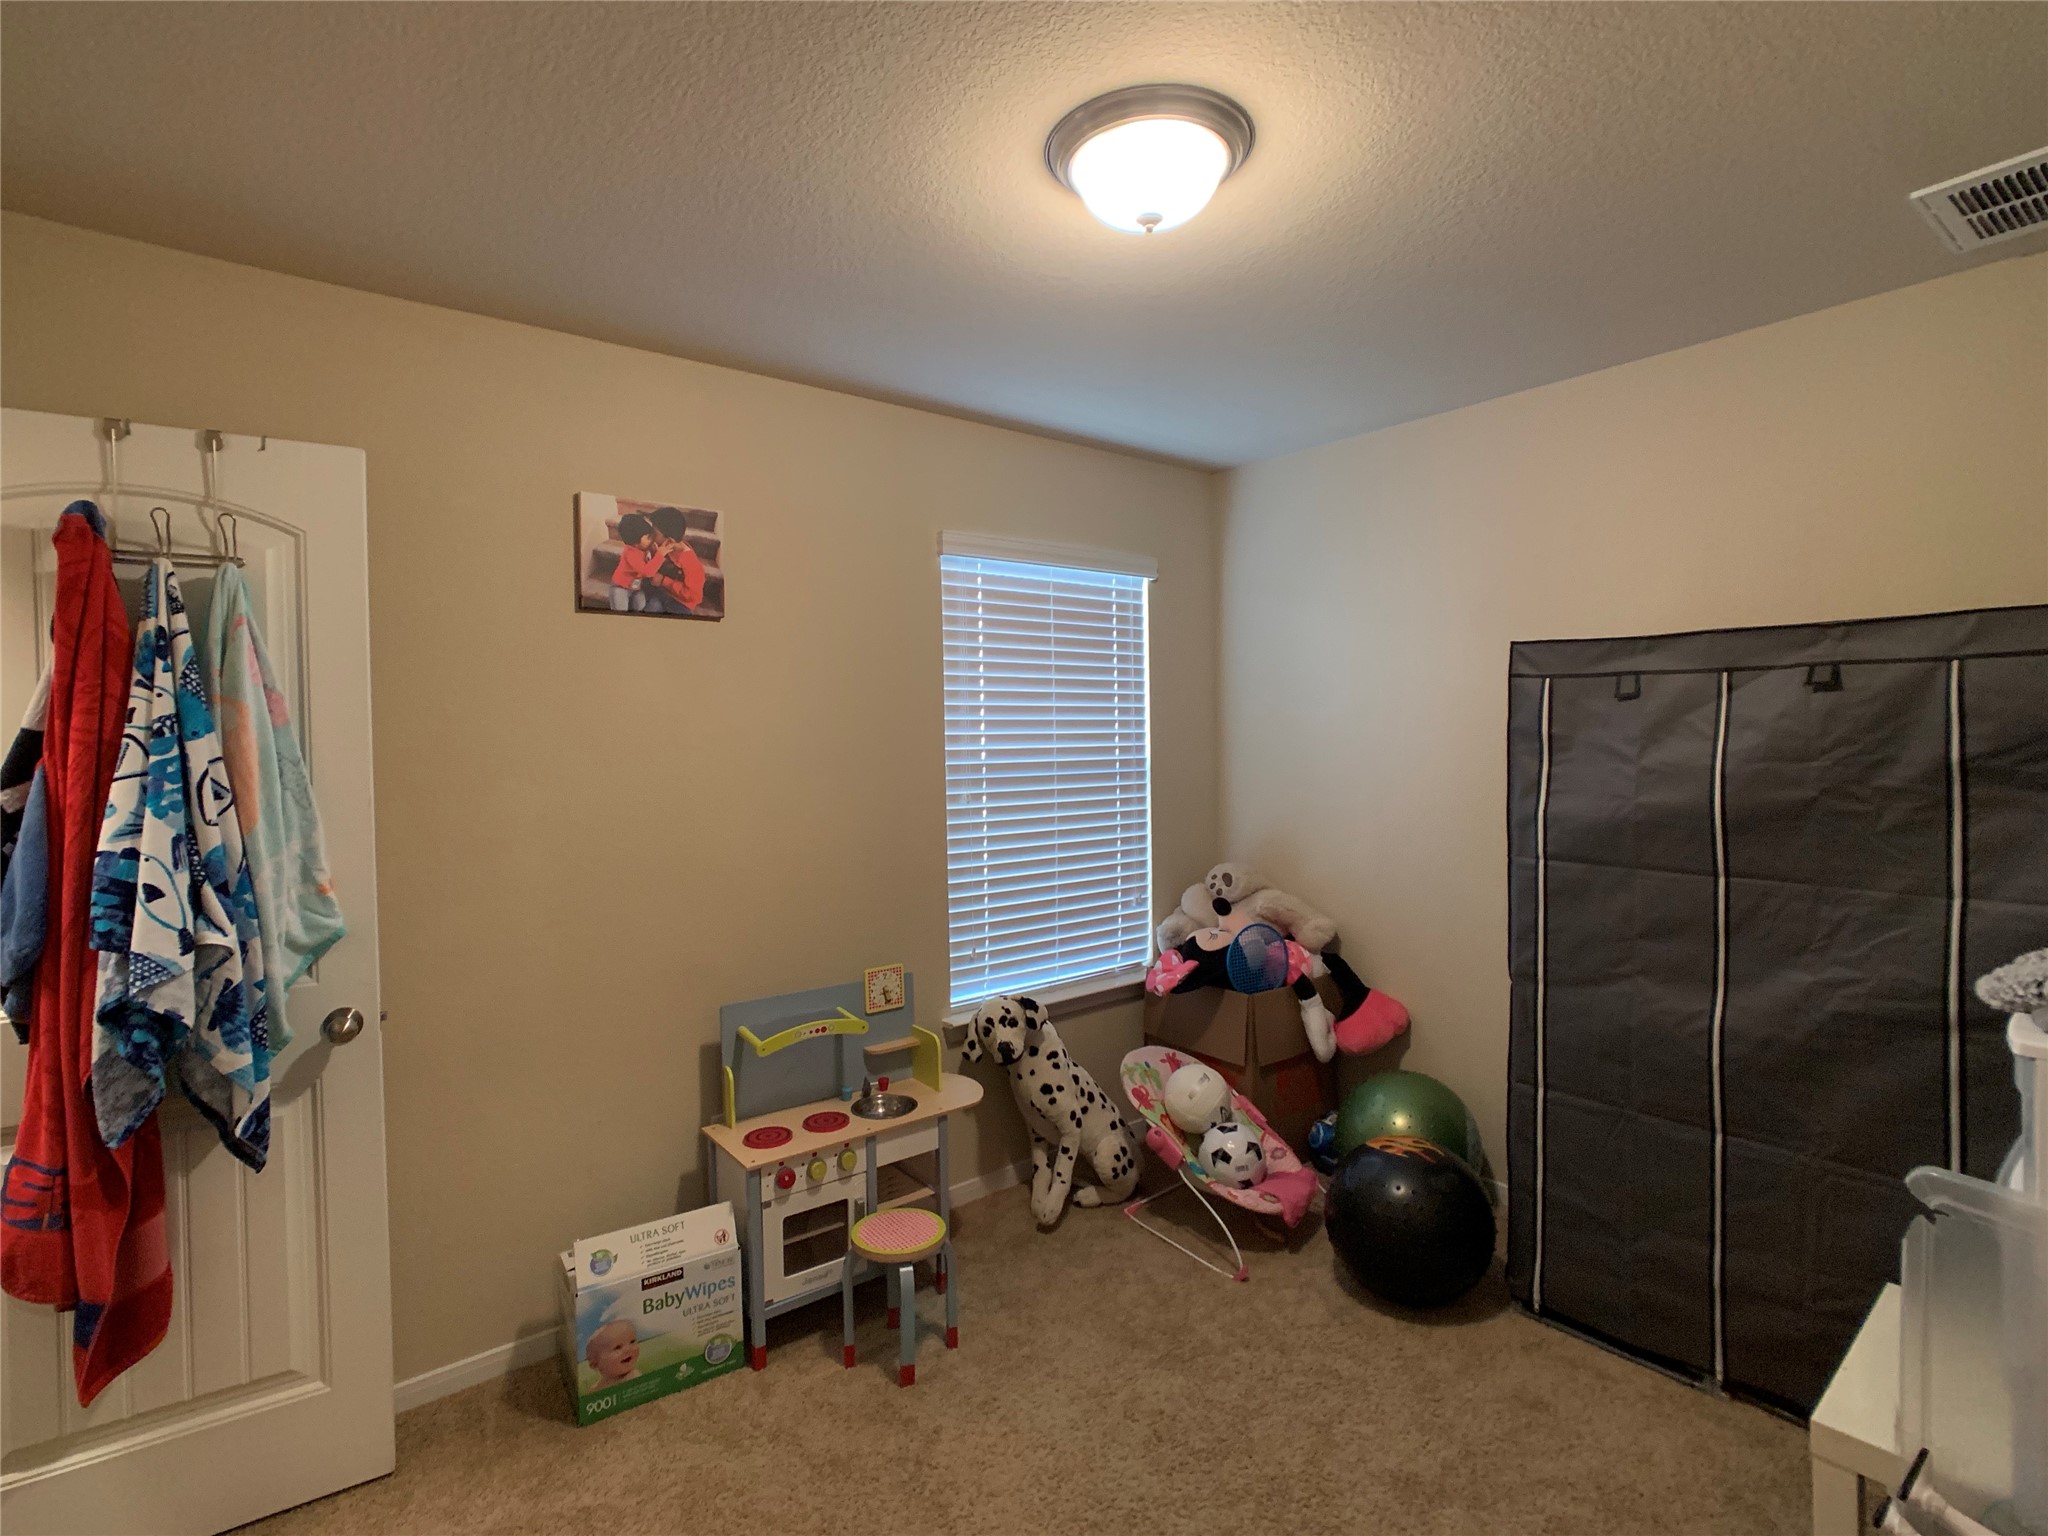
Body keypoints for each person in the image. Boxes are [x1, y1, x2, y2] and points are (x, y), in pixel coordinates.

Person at [645, 506, 706, 615]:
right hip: (663, 593)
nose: (651, 536)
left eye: (654, 534)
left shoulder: (691, 563)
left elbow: (693, 595)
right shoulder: (663, 548)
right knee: (650, 608)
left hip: (681, 603)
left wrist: (663, 580)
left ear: (670, 541)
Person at [607, 511, 662, 612]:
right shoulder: (631, 553)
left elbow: (650, 563)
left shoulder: (644, 548)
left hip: (636, 588)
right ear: (635, 541)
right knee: (620, 611)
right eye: (648, 538)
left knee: (641, 606)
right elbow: (647, 572)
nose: (652, 540)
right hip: (620, 587)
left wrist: (654, 552)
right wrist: (660, 555)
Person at [584, 1318, 641, 1387]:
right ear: (594, 1364)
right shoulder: (596, 1387)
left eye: (632, 1342)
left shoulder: (632, 1377)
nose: (628, 1349)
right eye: (617, 1347)